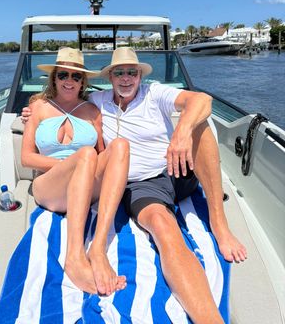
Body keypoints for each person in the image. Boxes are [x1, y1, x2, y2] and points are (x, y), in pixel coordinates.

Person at [23, 47, 247, 323]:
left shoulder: (152, 94)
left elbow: (202, 99)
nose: (126, 78)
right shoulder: (94, 102)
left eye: (132, 72)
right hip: (144, 185)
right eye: (119, 72)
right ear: (110, 77)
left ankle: (219, 224)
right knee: (165, 228)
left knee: (199, 124)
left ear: (140, 75)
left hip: (175, 168)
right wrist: (33, 112)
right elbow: (60, 115)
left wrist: (181, 132)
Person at [21, 47, 129, 296]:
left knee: (120, 146)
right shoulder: (38, 107)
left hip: (85, 186)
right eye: (63, 75)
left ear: (83, 82)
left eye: (76, 76)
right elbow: (27, 158)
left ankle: (98, 248)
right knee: (87, 155)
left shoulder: (93, 112)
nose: (69, 81)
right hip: (50, 187)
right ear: (54, 78)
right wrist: (78, 164)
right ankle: (75, 257)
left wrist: (87, 165)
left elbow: (104, 156)